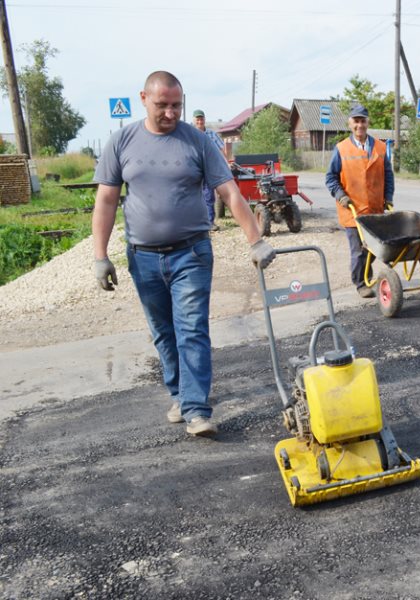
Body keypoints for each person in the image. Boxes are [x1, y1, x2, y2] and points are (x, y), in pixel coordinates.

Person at [92, 70, 276, 438]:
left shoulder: (197, 142)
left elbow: (229, 192)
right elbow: (107, 200)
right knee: (163, 332)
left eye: (177, 105)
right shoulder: (122, 141)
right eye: (163, 105)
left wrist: (255, 240)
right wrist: (100, 256)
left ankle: (195, 409)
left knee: (191, 328)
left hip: (191, 253)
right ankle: (180, 393)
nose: (171, 113)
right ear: (144, 98)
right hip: (142, 257)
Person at [325, 104, 394, 298]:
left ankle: (367, 274)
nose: (360, 125)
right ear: (350, 123)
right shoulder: (341, 149)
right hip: (352, 210)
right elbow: (330, 178)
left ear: (368, 122)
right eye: (356, 121)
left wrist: (388, 197)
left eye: (363, 121)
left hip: (374, 209)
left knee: (373, 249)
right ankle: (360, 283)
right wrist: (340, 195)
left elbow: (388, 175)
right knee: (357, 251)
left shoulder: (380, 147)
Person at [192, 109, 226, 231]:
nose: (200, 121)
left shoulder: (211, 134)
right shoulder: (190, 134)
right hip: (193, 170)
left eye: (201, 119)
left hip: (208, 169)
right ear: (194, 120)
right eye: (197, 119)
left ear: (204, 120)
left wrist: (224, 164)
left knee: (208, 196)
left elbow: (222, 149)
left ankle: (210, 222)